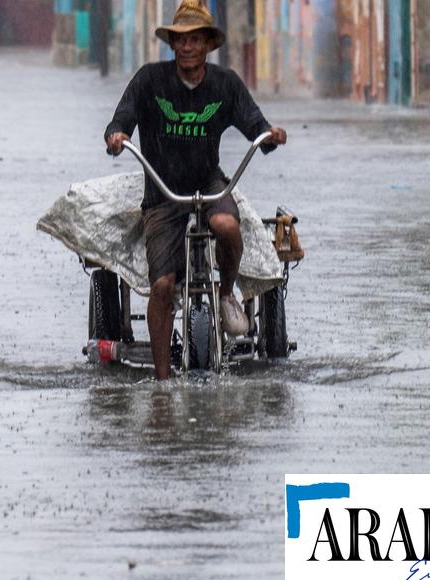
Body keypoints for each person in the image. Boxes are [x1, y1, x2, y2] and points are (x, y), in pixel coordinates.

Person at [104, 0, 287, 380]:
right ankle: (162, 380)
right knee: (162, 285)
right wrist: (117, 136)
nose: (187, 47)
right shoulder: (149, 80)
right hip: (162, 190)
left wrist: (271, 136)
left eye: (196, 40)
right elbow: (121, 117)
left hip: (208, 180)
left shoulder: (225, 84)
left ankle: (225, 297)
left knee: (227, 225)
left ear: (208, 45)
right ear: (172, 44)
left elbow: (256, 124)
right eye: (181, 40)